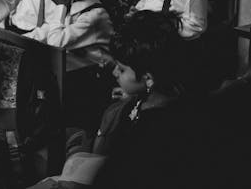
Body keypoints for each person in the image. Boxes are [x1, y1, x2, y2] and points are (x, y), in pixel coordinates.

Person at [32, 10, 187, 189]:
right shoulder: (154, 95)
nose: (115, 73)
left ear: (148, 78)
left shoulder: (152, 130)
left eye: (121, 70)